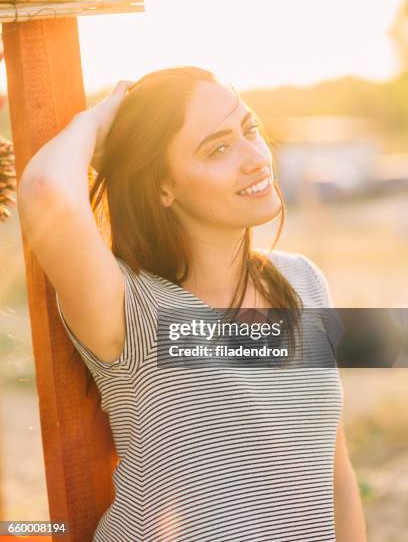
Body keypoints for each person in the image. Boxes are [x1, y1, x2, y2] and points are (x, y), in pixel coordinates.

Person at [17, 66, 366, 541]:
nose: (254, 158)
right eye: (218, 148)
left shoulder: (303, 281)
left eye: (250, 130)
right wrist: (97, 123)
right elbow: (45, 191)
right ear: (164, 186)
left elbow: (334, 475)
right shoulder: (132, 309)